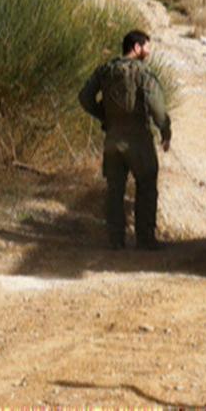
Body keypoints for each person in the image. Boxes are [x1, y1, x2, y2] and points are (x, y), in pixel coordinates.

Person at [79, 30, 172, 251]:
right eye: (147, 47)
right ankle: (145, 239)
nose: (148, 52)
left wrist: (104, 115)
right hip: (138, 141)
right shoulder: (143, 74)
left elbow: (84, 98)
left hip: (112, 140)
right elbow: (157, 108)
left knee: (114, 190)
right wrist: (165, 131)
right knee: (147, 186)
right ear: (137, 47)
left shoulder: (106, 70)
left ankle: (116, 240)